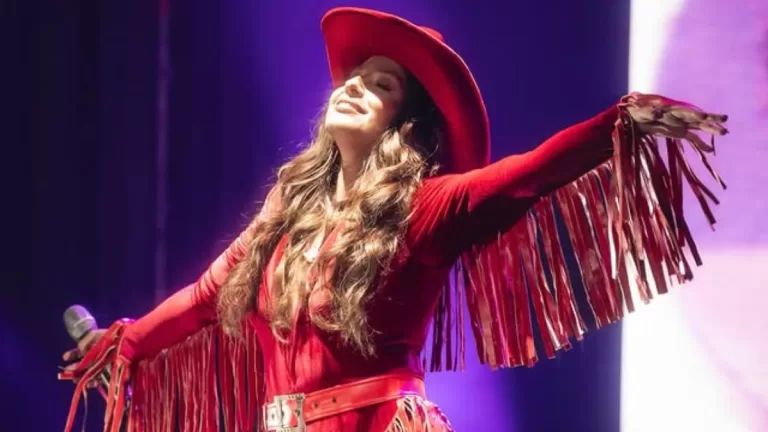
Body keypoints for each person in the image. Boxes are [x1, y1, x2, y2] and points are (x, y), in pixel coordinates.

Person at [59, 7, 729, 432]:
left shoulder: (423, 209)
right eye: (353, 77)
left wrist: (617, 123)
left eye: (380, 84)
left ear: (404, 125)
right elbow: (205, 297)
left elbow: (526, 173)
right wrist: (125, 344)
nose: (353, 84)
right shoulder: (285, 219)